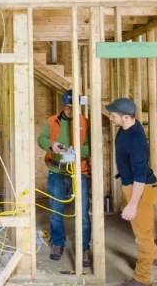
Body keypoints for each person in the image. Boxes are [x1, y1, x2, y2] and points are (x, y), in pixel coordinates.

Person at [106, 98, 157, 286]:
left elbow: (140, 175)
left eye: (114, 115)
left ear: (125, 117)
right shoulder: (126, 128)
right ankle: (156, 257)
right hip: (132, 186)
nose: (110, 117)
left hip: (141, 189)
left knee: (143, 236)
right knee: (142, 230)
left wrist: (132, 204)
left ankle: (142, 279)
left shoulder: (136, 140)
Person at [37, 90, 91, 267]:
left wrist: (76, 152)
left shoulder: (85, 122)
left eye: (74, 108)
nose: (70, 111)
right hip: (57, 171)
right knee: (56, 211)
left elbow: (91, 147)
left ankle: (83, 248)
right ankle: (58, 243)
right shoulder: (52, 121)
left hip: (78, 172)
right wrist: (51, 144)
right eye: (68, 108)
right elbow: (41, 139)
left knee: (83, 214)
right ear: (63, 106)